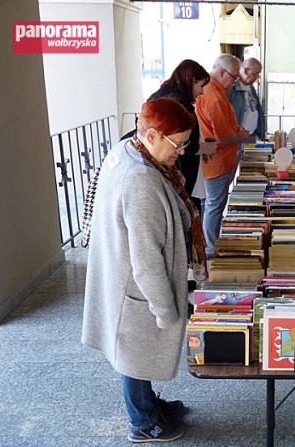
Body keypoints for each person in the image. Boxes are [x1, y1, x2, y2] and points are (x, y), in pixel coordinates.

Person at [82, 97, 207, 443]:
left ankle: (149, 404)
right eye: (178, 144)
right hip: (133, 283)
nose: (181, 152)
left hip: (120, 273)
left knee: (135, 350)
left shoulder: (129, 150)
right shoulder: (141, 181)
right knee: (135, 350)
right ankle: (143, 420)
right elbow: (147, 257)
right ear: (152, 135)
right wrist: (167, 311)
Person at [121, 59, 217, 212]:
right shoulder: (178, 103)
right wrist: (203, 148)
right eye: (201, 85)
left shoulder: (163, 94)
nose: (202, 92)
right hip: (179, 171)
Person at [195, 54, 251, 258]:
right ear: (221, 72)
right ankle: (210, 249)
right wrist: (241, 135)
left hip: (219, 161)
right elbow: (225, 136)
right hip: (217, 163)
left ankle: (208, 245)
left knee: (211, 205)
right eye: (234, 77)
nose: (235, 82)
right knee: (214, 206)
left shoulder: (215, 92)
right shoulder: (214, 96)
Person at [228, 57, 265, 154]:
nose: (257, 77)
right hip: (237, 138)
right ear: (245, 70)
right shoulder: (231, 88)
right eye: (255, 73)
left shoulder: (251, 87)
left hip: (251, 136)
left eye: (258, 74)